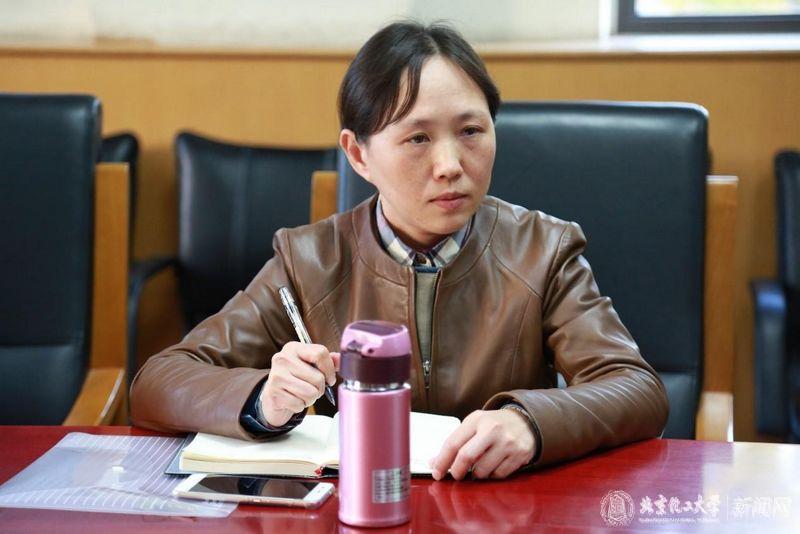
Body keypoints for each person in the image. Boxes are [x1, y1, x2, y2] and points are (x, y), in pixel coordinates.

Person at [130, 21, 669, 481]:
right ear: (358, 154)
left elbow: (637, 389)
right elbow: (159, 381)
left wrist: (530, 422)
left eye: (471, 131)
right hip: (355, 510)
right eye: (418, 139)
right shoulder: (309, 260)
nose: (450, 165)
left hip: (497, 509)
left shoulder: (543, 250)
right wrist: (261, 399)